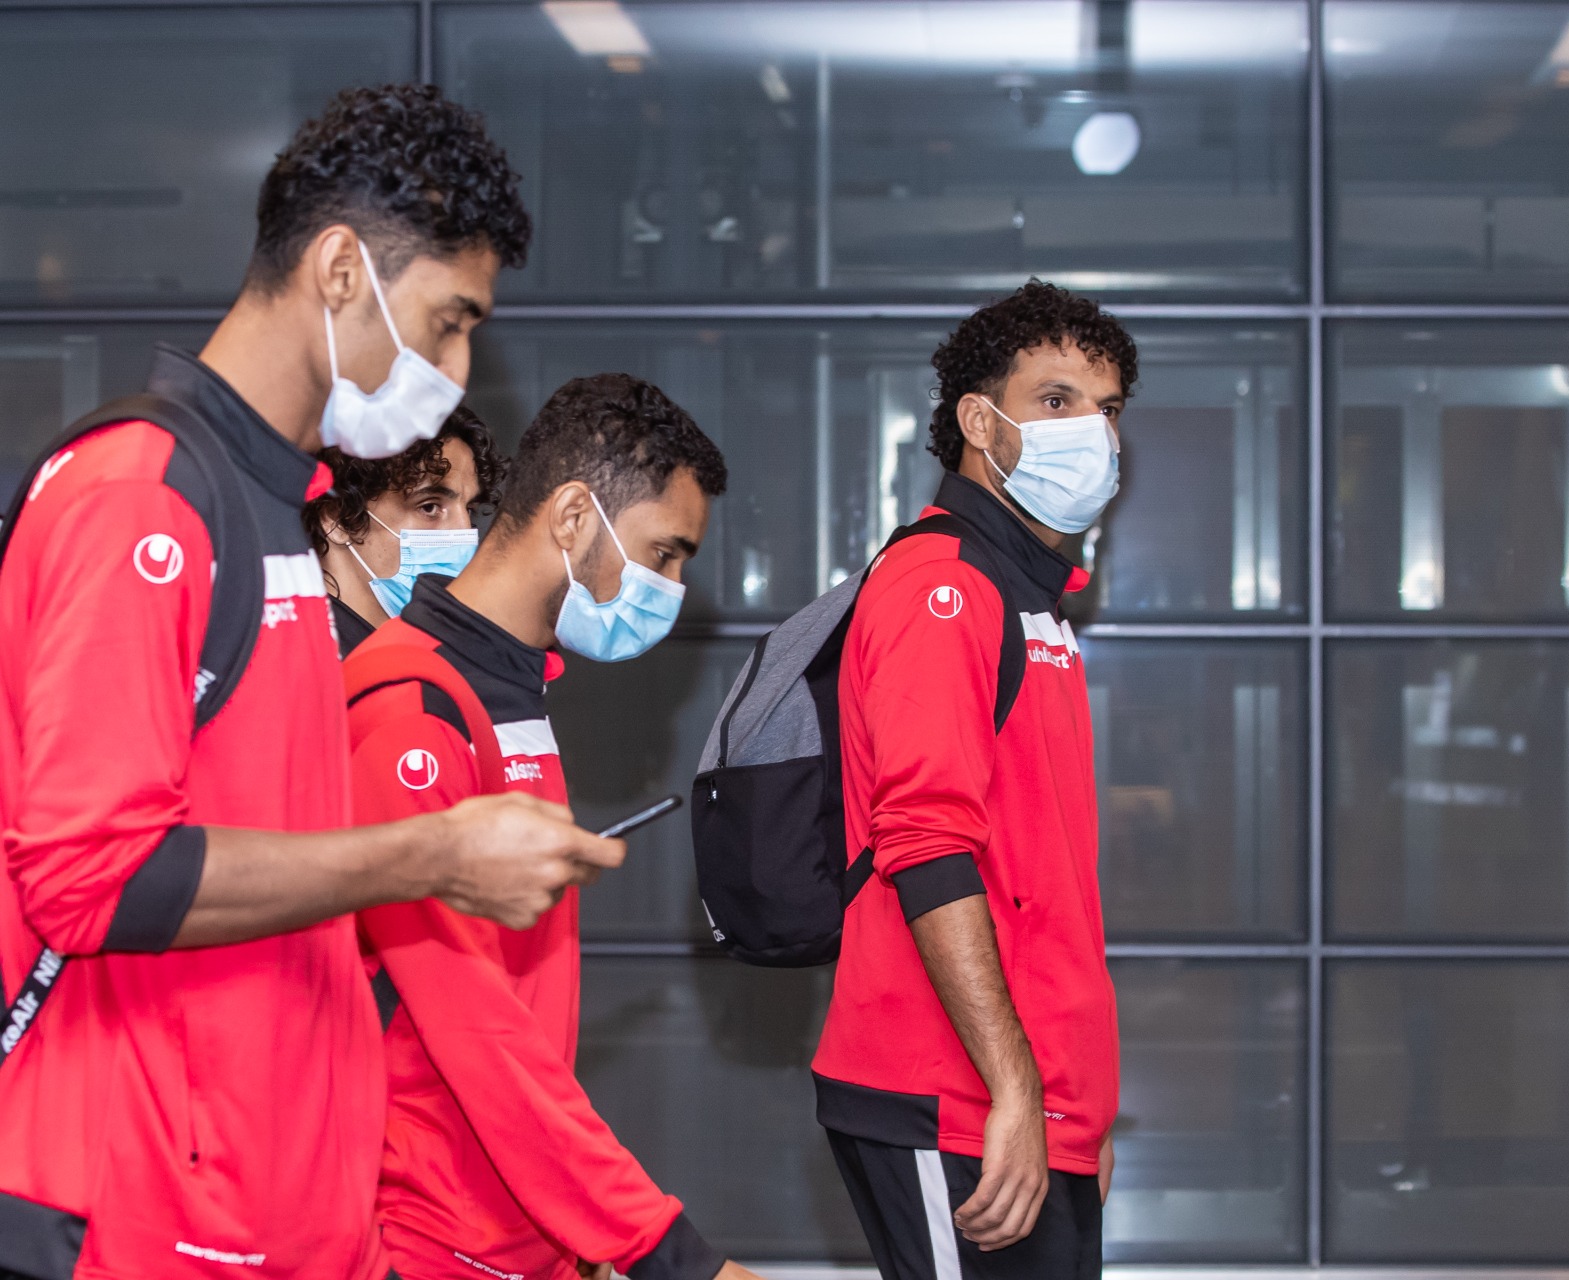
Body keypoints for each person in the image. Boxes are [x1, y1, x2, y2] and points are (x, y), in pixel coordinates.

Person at [0, 84, 623, 1280]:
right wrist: (430, 853)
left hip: (279, 1211)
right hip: (138, 1217)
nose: (457, 365)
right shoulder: (142, 497)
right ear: (340, 270)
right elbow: (92, 873)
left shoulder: (273, 508)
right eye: (447, 321)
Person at [343, 374, 764, 1280]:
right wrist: (660, 1249)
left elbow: (523, 1002)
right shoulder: (413, 708)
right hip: (425, 1235)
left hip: (515, 1223)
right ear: (574, 516)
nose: (671, 588)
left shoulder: (514, 689)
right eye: (663, 554)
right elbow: (473, 1028)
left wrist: (572, 1229)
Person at [811, 280, 1136, 1279]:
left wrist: (1077, 1106)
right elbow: (926, 841)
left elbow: (1046, 882)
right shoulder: (940, 586)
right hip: (950, 1092)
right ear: (979, 423)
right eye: (1055, 400)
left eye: (1107, 408)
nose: (1092, 431)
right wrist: (1016, 1091)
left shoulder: (1028, 600)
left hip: (1031, 1098)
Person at [306, 403, 507, 656]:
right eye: (430, 507)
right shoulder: (307, 657)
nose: (464, 532)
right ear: (337, 519)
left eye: (469, 510)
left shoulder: (437, 650)